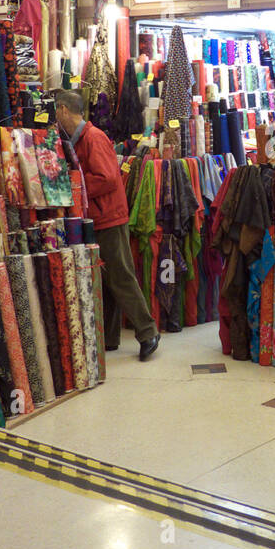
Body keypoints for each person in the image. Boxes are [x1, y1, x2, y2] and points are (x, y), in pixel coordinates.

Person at [55, 90, 159, 361]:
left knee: (121, 276)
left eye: (56, 111)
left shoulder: (93, 138)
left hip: (109, 217)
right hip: (98, 218)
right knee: (105, 279)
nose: (56, 117)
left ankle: (148, 333)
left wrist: (73, 183)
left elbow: (108, 178)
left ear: (65, 110)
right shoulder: (78, 140)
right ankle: (109, 338)